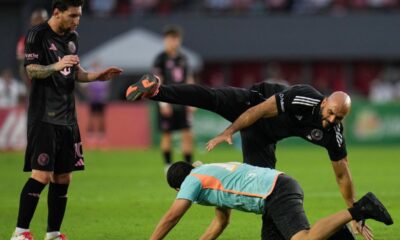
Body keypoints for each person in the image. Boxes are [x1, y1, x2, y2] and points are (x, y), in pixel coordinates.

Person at [126, 74, 370, 238]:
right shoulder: (303, 97)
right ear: (325, 101)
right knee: (212, 98)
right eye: (330, 113)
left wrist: (356, 211)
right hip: (250, 105)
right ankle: (157, 91)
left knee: (266, 195)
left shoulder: (333, 133)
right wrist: (230, 130)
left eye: (338, 118)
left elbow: (342, 174)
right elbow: (260, 110)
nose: (330, 120)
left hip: (261, 140)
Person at [11, 1, 122, 240]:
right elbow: (31, 70)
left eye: (79, 16)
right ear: (57, 12)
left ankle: (53, 234)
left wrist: (96, 76)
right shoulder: (37, 34)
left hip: (68, 118)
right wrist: (56, 64)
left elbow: (75, 72)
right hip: (44, 117)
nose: (77, 21)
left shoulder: (73, 37)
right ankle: (20, 233)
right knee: (41, 175)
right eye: (72, 16)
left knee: (64, 177)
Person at [150, 161, 393, 240]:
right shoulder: (208, 174)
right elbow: (221, 221)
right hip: (277, 188)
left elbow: (173, 215)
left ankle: (361, 207)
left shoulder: (192, 180)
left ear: (178, 186)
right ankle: (337, 235)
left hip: (274, 193)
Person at [152, 25, 195, 170]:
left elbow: (189, 79)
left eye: (176, 39)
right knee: (167, 134)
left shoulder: (183, 58)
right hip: (168, 100)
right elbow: (158, 81)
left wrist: (193, 101)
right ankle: (168, 165)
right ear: (165, 40)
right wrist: (163, 104)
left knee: (187, 133)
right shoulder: (160, 59)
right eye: (171, 39)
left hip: (183, 100)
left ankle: (188, 166)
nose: (174, 42)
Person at [16, 8, 49, 87]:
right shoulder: (24, 40)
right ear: (32, 22)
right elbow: (20, 58)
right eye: (37, 20)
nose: (40, 22)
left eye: (43, 19)